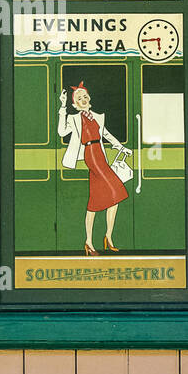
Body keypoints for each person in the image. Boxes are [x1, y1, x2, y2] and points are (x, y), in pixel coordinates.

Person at [57, 83, 131, 255]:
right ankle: (100, 239)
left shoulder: (98, 117)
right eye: (78, 98)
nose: (82, 100)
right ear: (74, 104)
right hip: (91, 154)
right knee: (116, 190)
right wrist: (62, 106)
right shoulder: (73, 118)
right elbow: (61, 132)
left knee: (98, 201)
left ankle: (97, 239)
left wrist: (121, 147)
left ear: (89, 100)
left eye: (84, 97)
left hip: (101, 154)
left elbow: (106, 134)